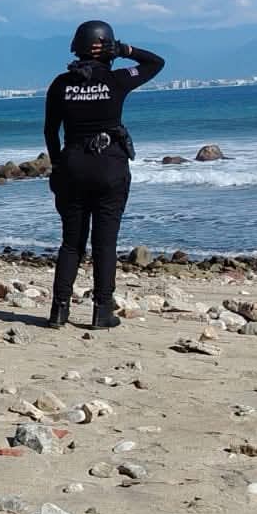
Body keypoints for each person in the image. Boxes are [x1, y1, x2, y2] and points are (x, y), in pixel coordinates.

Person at [43, 21, 164, 329]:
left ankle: (59, 311)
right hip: (109, 166)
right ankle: (102, 311)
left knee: (71, 243)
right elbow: (155, 63)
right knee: (104, 243)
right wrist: (126, 50)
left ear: (76, 47)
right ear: (108, 48)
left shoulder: (60, 84)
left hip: (71, 167)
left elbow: (50, 131)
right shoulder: (116, 80)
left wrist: (58, 164)